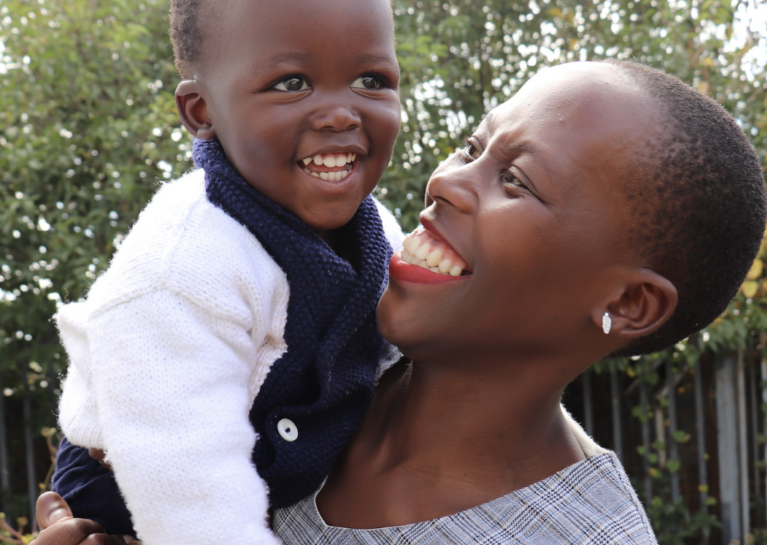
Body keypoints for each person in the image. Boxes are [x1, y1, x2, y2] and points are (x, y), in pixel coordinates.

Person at [37, 61, 767, 544]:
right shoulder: (281, 350)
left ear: (630, 302)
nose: (444, 182)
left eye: (516, 181)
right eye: (471, 147)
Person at [50, 0, 408, 545]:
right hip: (139, 481)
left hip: (272, 473)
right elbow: (187, 485)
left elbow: (420, 352)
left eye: (370, 79)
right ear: (201, 111)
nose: (340, 113)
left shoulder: (378, 230)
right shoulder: (184, 264)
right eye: (292, 83)